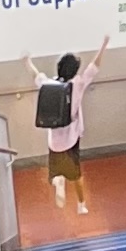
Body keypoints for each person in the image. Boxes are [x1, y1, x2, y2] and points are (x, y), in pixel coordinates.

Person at [33, 40, 101, 211]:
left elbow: (36, 75)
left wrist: (26, 60)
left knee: (56, 171)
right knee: (76, 174)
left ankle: (58, 180)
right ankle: (81, 205)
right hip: (71, 139)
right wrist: (105, 44)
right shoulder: (77, 84)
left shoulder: (49, 85)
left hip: (54, 143)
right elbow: (93, 68)